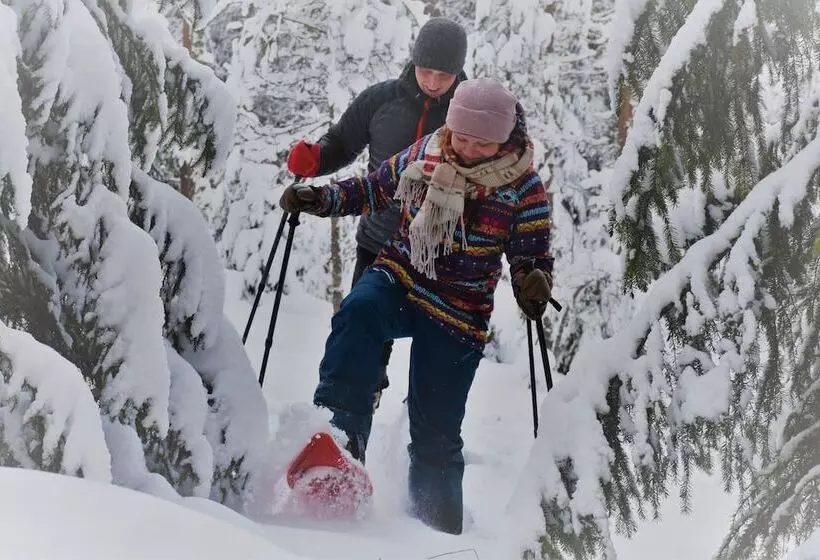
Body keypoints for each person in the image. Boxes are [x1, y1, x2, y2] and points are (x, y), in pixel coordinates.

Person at [279, 78, 554, 535]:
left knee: (436, 436)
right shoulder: (430, 150)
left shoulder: (523, 186)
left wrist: (531, 282)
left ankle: (434, 530)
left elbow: (531, 254)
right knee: (359, 311)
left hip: (460, 308)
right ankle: (340, 447)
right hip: (404, 273)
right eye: (461, 135)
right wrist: (320, 199)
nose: (465, 148)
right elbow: (374, 190)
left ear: (504, 139)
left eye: (480, 142)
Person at [285, 17, 469, 410]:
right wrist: (315, 158)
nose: (434, 81)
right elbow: (341, 142)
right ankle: (355, 418)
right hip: (379, 244)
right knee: (361, 343)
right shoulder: (380, 100)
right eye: (426, 70)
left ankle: (420, 423)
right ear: (413, 61)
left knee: (436, 364)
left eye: (444, 74)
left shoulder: (470, 113)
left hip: (443, 254)